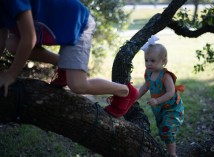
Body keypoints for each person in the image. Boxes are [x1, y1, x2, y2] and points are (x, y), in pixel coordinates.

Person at [0, 0, 138, 118]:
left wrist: (11, 74)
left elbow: (29, 38)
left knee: (78, 85)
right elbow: (1, 38)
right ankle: (66, 66)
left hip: (78, 23)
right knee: (12, 44)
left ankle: (125, 91)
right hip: (56, 26)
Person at [138, 36, 185, 157]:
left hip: (172, 108)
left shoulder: (165, 76)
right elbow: (145, 87)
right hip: (159, 109)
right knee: (162, 130)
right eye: (146, 60)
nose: (149, 63)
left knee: (167, 130)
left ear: (163, 61)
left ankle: (172, 154)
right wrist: (134, 97)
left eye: (152, 61)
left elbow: (170, 92)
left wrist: (157, 100)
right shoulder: (149, 73)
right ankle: (169, 149)